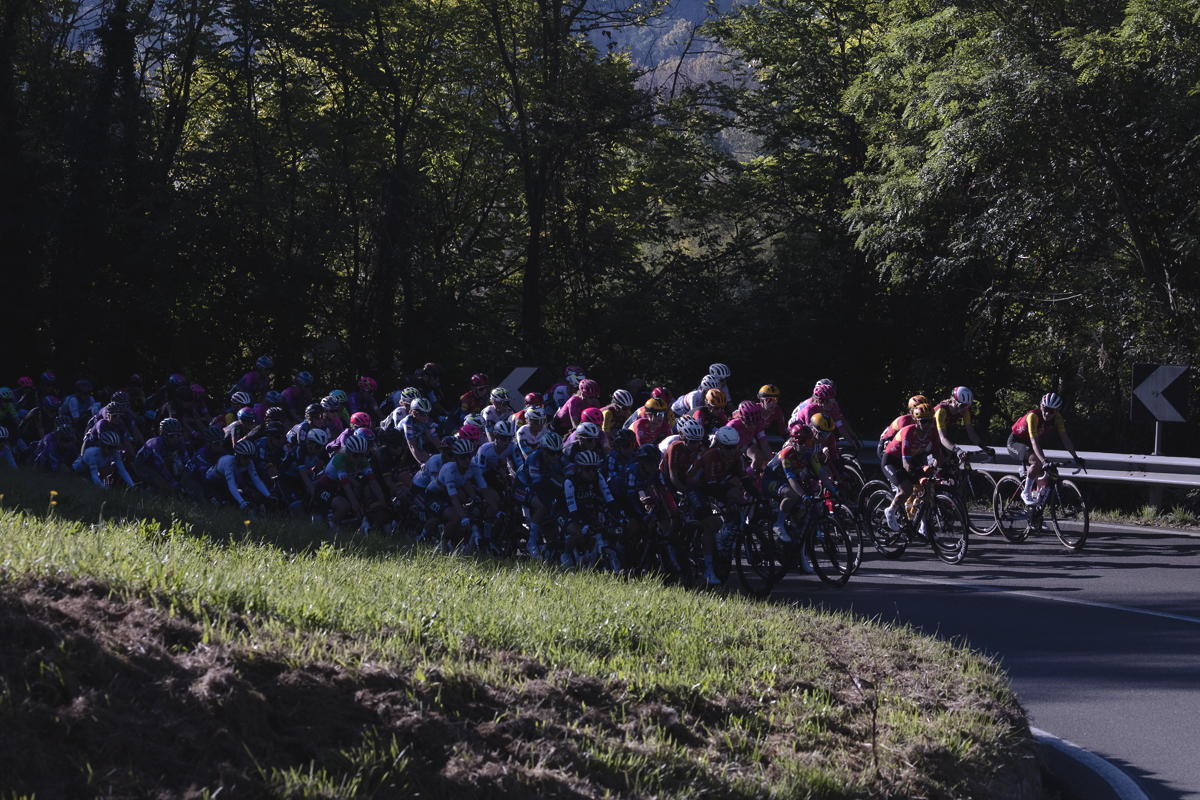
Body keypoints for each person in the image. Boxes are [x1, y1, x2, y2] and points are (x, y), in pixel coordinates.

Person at [686, 426, 747, 585]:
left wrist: (759, 496)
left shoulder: (736, 454)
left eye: (735, 446)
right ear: (719, 445)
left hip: (712, 483)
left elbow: (745, 479)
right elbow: (712, 488)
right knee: (710, 524)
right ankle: (708, 570)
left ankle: (724, 534)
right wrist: (727, 502)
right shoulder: (709, 456)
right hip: (696, 486)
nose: (732, 450)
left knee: (739, 497)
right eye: (728, 447)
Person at [880, 404, 949, 533]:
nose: (928, 424)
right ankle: (890, 511)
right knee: (907, 489)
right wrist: (920, 476)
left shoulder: (933, 431)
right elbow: (906, 463)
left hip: (913, 458)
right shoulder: (908, 432)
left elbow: (939, 456)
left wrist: (938, 469)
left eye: (930, 420)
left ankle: (923, 528)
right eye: (924, 421)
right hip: (892, 461)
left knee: (927, 489)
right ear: (916, 421)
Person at [1008, 393, 1084, 505]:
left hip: (1030, 443)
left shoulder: (1057, 418)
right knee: (1037, 462)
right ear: (1041, 406)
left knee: (1046, 477)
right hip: (1016, 442)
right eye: (1045, 409)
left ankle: (1035, 511)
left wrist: (1076, 457)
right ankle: (1025, 492)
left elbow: (1065, 439)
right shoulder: (1033, 416)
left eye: (1051, 411)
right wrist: (1044, 461)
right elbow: (1035, 442)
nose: (1047, 413)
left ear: (1056, 411)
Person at [423, 437, 492, 549]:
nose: (467, 460)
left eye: (469, 456)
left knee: (467, 514)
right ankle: (440, 544)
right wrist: (463, 516)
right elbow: (454, 498)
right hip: (434, 496)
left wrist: (493, 508)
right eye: (463, 457)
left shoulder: (472, 467)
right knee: (456, 517)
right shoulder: (449, 469)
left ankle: (456, 543)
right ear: (456, 458)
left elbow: (479, 489)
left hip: (448, 495)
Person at [557, 449, 620, 567]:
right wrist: (582, 524)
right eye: (587, 469)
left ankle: (585, 559)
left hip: (581, 508)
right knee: (578, 533)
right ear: (579, 468)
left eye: (594, 468)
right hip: (564, 510)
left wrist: (620, 517)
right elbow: (572, 509)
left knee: (594, 533)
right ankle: (565, 555)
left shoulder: (598, 477)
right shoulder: (570, 481)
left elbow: (609, 500)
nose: (591, 472)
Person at [513, 432, 565, 557]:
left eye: (559, 452)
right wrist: (551, 505)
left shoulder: (563, 458)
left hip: (543, 485)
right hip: (523, 486)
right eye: (552, 453)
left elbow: (570, 479)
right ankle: (531, 544)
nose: (556, 456)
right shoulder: (534, 458)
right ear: (544, 451)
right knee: (544, 507)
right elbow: (538, 487)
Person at [204, 439, 273, 510]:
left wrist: (269, 495)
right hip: (210, 483)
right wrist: (242, 502)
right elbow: (231, 485)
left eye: (250, 456)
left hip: (223, 484)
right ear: (237, 457)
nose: (248, 460)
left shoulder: (250, 463)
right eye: (245, 457)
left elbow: (257, 481)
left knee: (239, 505)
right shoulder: (229, 462)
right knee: (221, 507)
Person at [934, 386, 996, 460]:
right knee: (945, 458)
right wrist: (958, 450)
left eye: (968, 405)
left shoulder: (965, 411)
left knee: (955, 464)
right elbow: (943, 438)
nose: (965, 408)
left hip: (942, 433)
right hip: (930, 433)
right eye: (963, 405)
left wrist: (985, 448)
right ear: (954, 402)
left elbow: (971, 434)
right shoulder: (942, 411)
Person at [133, 417, 188, 494]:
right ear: (164, 435)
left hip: (158, 463)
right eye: (172, 435)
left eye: (178, 435)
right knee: (165, 486)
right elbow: (160, 467)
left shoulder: (179, 441)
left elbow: (186, 462)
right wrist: (173, 481)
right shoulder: (156, 443)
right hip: (143, 464)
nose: (175, 438)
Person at [877, 395, 929, 461]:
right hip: (887, 446)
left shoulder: (928, 422)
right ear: (911, 411)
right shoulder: (904, 421)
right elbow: (905, 444)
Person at [400, 397, 440, 464]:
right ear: (414, 413)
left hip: (415, 443)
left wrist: (443, 454)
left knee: (431, 463)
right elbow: (411, 446)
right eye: (423, 414)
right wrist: (421, 463)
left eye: (428, 414)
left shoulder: (428, 421)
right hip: (400, 445)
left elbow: (435, 439)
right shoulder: (408, 422)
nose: (426, 417)